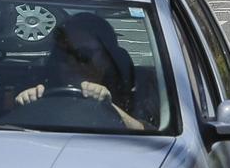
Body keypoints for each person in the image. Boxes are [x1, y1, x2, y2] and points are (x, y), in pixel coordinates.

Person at [14, 12, 146, 131]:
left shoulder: (135, 94)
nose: (72, 63)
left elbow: (147, 136)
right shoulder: (39, 90)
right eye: (63, 55)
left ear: (107, 58)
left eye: (83, 55)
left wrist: (109, 106)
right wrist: (27, 106)